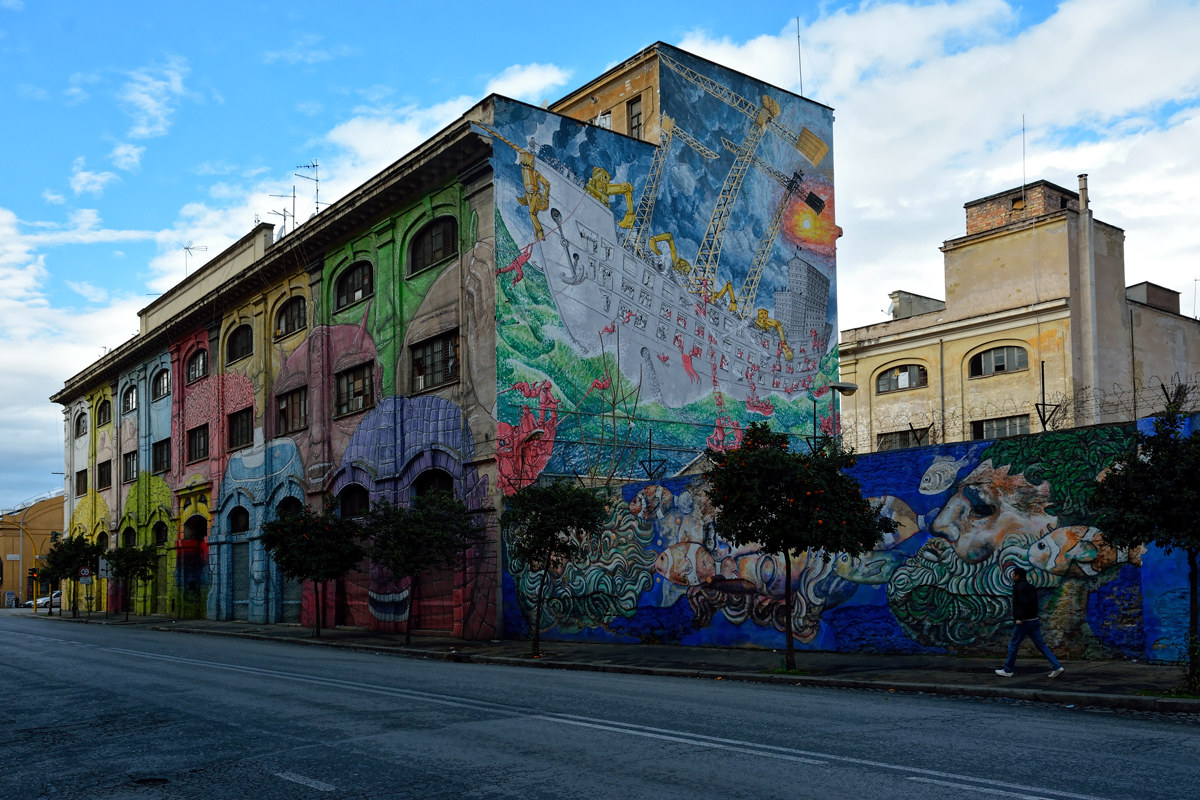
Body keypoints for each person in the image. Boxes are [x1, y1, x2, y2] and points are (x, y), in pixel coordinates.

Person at [995, 567, 1065, 678]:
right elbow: (1033, 603)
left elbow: (1023, 603)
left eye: (1014, 574)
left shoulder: (1019, 587)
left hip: (1024, 622)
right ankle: (1056, 666)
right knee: (1041, 645)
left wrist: (1019, 618)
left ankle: (1008, 670)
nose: (1012, 576)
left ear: (1018, 576)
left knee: (1013, 644)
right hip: (1034, 620)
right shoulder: (1031, 587)